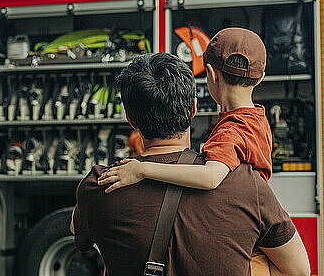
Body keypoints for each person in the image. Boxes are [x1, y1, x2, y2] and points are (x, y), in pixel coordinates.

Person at [72, 52, 310, 276]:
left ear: (130, 119)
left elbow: (77, 229)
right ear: (194, 109)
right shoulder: (247, 182)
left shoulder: (100, 185)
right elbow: (299, 270)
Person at [98, 28, 276, 272]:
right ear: (260, 77)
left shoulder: (230, 132)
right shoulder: (258, 120)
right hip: (256, 223)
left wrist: (143, 169)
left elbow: (210, 177)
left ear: (211, 74)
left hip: (248, 236)